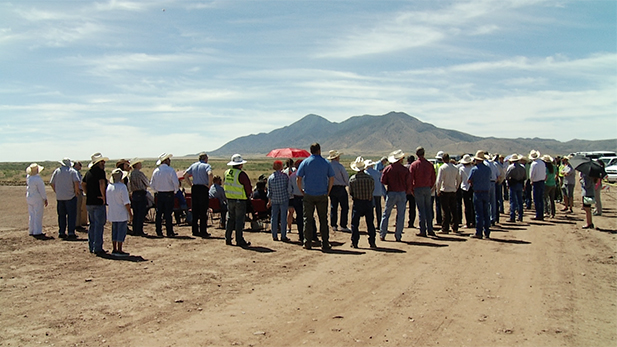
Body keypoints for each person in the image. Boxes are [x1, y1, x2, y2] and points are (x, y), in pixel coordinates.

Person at [296, 143, 335, 250]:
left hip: (308, 194)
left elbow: (298, 178)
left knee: (307, 219)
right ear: (319, 150)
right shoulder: (326, 163)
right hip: (322, 194)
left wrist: (301, 190)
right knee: (323, 219)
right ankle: (325, 243)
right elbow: (332, 177)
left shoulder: (305, 162)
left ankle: (307, 242)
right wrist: (328, 190)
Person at [379, 149, 410, 242]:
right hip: (401, 193)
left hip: (391, 192)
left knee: (386, 214)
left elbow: (383, 181)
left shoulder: (388, 169)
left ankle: (382, 234)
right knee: (401, 215)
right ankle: (398, 235)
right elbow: (408, 182)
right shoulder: (404, 170)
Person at [82, 153, 109, 255]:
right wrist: (103, 197)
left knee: (92, 224)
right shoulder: (100, 172)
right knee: (99, 225)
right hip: (98, 201)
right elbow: (102, 183)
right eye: (102, 161)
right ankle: (97, 247)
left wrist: (88, 193)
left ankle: (91, 246)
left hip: (90, 201)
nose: (104, 163)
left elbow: (83, 183)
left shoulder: (89, 172)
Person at [224, 154, 253, 247]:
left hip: (229, 199)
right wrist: (248, 195)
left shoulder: (227, 172)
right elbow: (247, 187)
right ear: (240, 165)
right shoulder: (241, 174)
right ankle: (239, 240)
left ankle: (228, 238)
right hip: (240, 200)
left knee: (230, 219)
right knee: (239, 221)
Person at [49, 157, 81, 239]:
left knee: (61, 215)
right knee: (71, 215)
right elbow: (76, 182)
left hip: (60, 197)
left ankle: (61, 232)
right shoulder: (72, 171)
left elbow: (52, 183)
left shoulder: (57, 171)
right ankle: (71, 232)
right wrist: (76, 191)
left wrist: (56, 191)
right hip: (70, 196)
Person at [348, 157, 376, 248]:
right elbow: (372, 190)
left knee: (355, 223)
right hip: (368, 202)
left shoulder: (352, 179)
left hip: (357, 202)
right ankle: (372, 242)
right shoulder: (370, 179)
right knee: (370, 223)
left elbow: (351, 192)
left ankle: (355, 242)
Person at [184, 152, 214, 238]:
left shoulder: (193, 165)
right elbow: (210, 174)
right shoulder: (206, 166)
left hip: (195, 188)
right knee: (203, 210)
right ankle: (203, 231)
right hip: (203, 188)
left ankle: (195, 231)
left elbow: (185, 175)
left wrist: (191, 184)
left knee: (195, 210)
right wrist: (209, 184)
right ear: (206, 159)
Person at [150, 153, 179, 238]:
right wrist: (175, 191)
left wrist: (156, 190)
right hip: (169, 194)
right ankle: (169, 232)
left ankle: (159, 231)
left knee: (159, 214)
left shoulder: (156, 171)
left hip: (159, 194)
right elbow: (176, 183)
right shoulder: (170, 170)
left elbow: (152, 184)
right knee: (168, 214)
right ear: (166, 161)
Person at [409, 147, 436, 237]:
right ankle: (430, 229)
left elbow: (410, 178)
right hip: (427, 188)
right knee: (428, 208)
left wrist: (411, 189)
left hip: (418, 188)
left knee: (421, 209)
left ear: (417, 154)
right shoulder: (429, 164)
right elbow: (433, 177)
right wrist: (431, 186)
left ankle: (423, 230)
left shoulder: (414, 165)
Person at [107, 168, 132, 256]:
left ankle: (114, 248)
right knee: (121, 231)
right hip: (121, 213)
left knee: (114, 231)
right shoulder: (122, 187)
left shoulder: (109, 187)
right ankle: (119, 249)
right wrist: (130, 214)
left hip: (113, 212)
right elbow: (126, 202)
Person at [435, 153, 461, 234]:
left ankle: (445, 228)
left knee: (445, 210)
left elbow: (439, 181)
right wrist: (456, 187)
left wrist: (438, 191)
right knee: (454, 209)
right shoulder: (455, 168)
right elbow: (459, 179)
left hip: (445, 190)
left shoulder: (442, 168)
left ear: (443, 159)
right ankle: (455, 227)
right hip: (453, 190)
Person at [468, 151, 492, 239]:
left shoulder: (474, 169)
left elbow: (469, 180)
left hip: (478, 192)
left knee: (479, 213)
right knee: (486, 212)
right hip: (486, 192)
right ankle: (487, 232)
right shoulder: (488, 169)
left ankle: (479, 232)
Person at [327, 150, 351, 232]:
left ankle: (334, 225)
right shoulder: (340, 166)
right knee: (344, 207)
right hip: (340, 188)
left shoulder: (328, 166)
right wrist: (346, 184)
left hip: (331, 188)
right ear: (337, 157)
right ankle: (343, 225)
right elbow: (346, 177)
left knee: (333, 206)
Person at [267, 160, 291, 241]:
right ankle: (283, 236)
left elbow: (269, 191)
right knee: (283, 218)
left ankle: (274, 235)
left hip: (274, 200)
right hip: (284, 199)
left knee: (274, 217)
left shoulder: (270, 178)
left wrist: (269, 201)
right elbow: (288, 188)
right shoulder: (285, 176)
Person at [127, 158, 149, 236]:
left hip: (134, 194)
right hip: (141, 193)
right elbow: (147, 182)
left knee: (136, 213)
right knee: (141, 213)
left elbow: (129, 185)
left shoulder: (130, 174)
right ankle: (140, 230)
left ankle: (135, 230)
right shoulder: (140, 174)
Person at [26, 163, 48, 238]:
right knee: (38, 214)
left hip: (29, 197)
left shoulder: (29, 177)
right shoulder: (38, 179)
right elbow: (42, 190)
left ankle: (31, 230)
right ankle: (37, 231)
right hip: (37, 198)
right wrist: (45, 198)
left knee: (32, 214)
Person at [505, 154, 526, 222]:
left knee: (513, 201)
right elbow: (525, 177)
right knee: (520, 201)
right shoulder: (522, 167)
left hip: (513, 184)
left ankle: (512, 216)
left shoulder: (511, 167)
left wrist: (508, 183)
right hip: (520, 184)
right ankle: (520, 216)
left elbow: (507, 176)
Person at [457, 154, 475, 229]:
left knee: (466, 206)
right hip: (472, 187)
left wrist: (457, 186)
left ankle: (468, 222)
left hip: (464, 188)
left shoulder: (461, 169)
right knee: (472, 205)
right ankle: (473, 222)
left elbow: (459, 179)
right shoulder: (473, 168)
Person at [528, 150, 547, 221]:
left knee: (536, 199)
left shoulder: (534, 164)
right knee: (540, 199)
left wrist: (531, 180)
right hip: (542, 182)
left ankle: (538, 214)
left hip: (536, 182)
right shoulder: (542, 163)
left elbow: (532, 174)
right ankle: (541, 214)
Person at [73, 161, 88, 230]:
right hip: (78, 191)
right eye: (79, 165)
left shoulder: (75, 172)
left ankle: (77, 223)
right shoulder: (75, 173)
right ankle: (77, 224)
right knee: (77, 208)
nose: (80, 167)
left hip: (76, 191)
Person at [433, 151, 445, 225]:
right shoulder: (446, 165)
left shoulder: (435, 166)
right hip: (446, 187)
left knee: (438, 205)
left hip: (438, 186)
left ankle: (439, 220)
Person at [404, 155, 417, 228]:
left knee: (402, 207)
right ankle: (411, 223)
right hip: (412, 190)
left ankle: (399, 222)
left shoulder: (404, 167)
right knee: (412, 208)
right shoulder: (414, 167)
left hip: (404, 190)